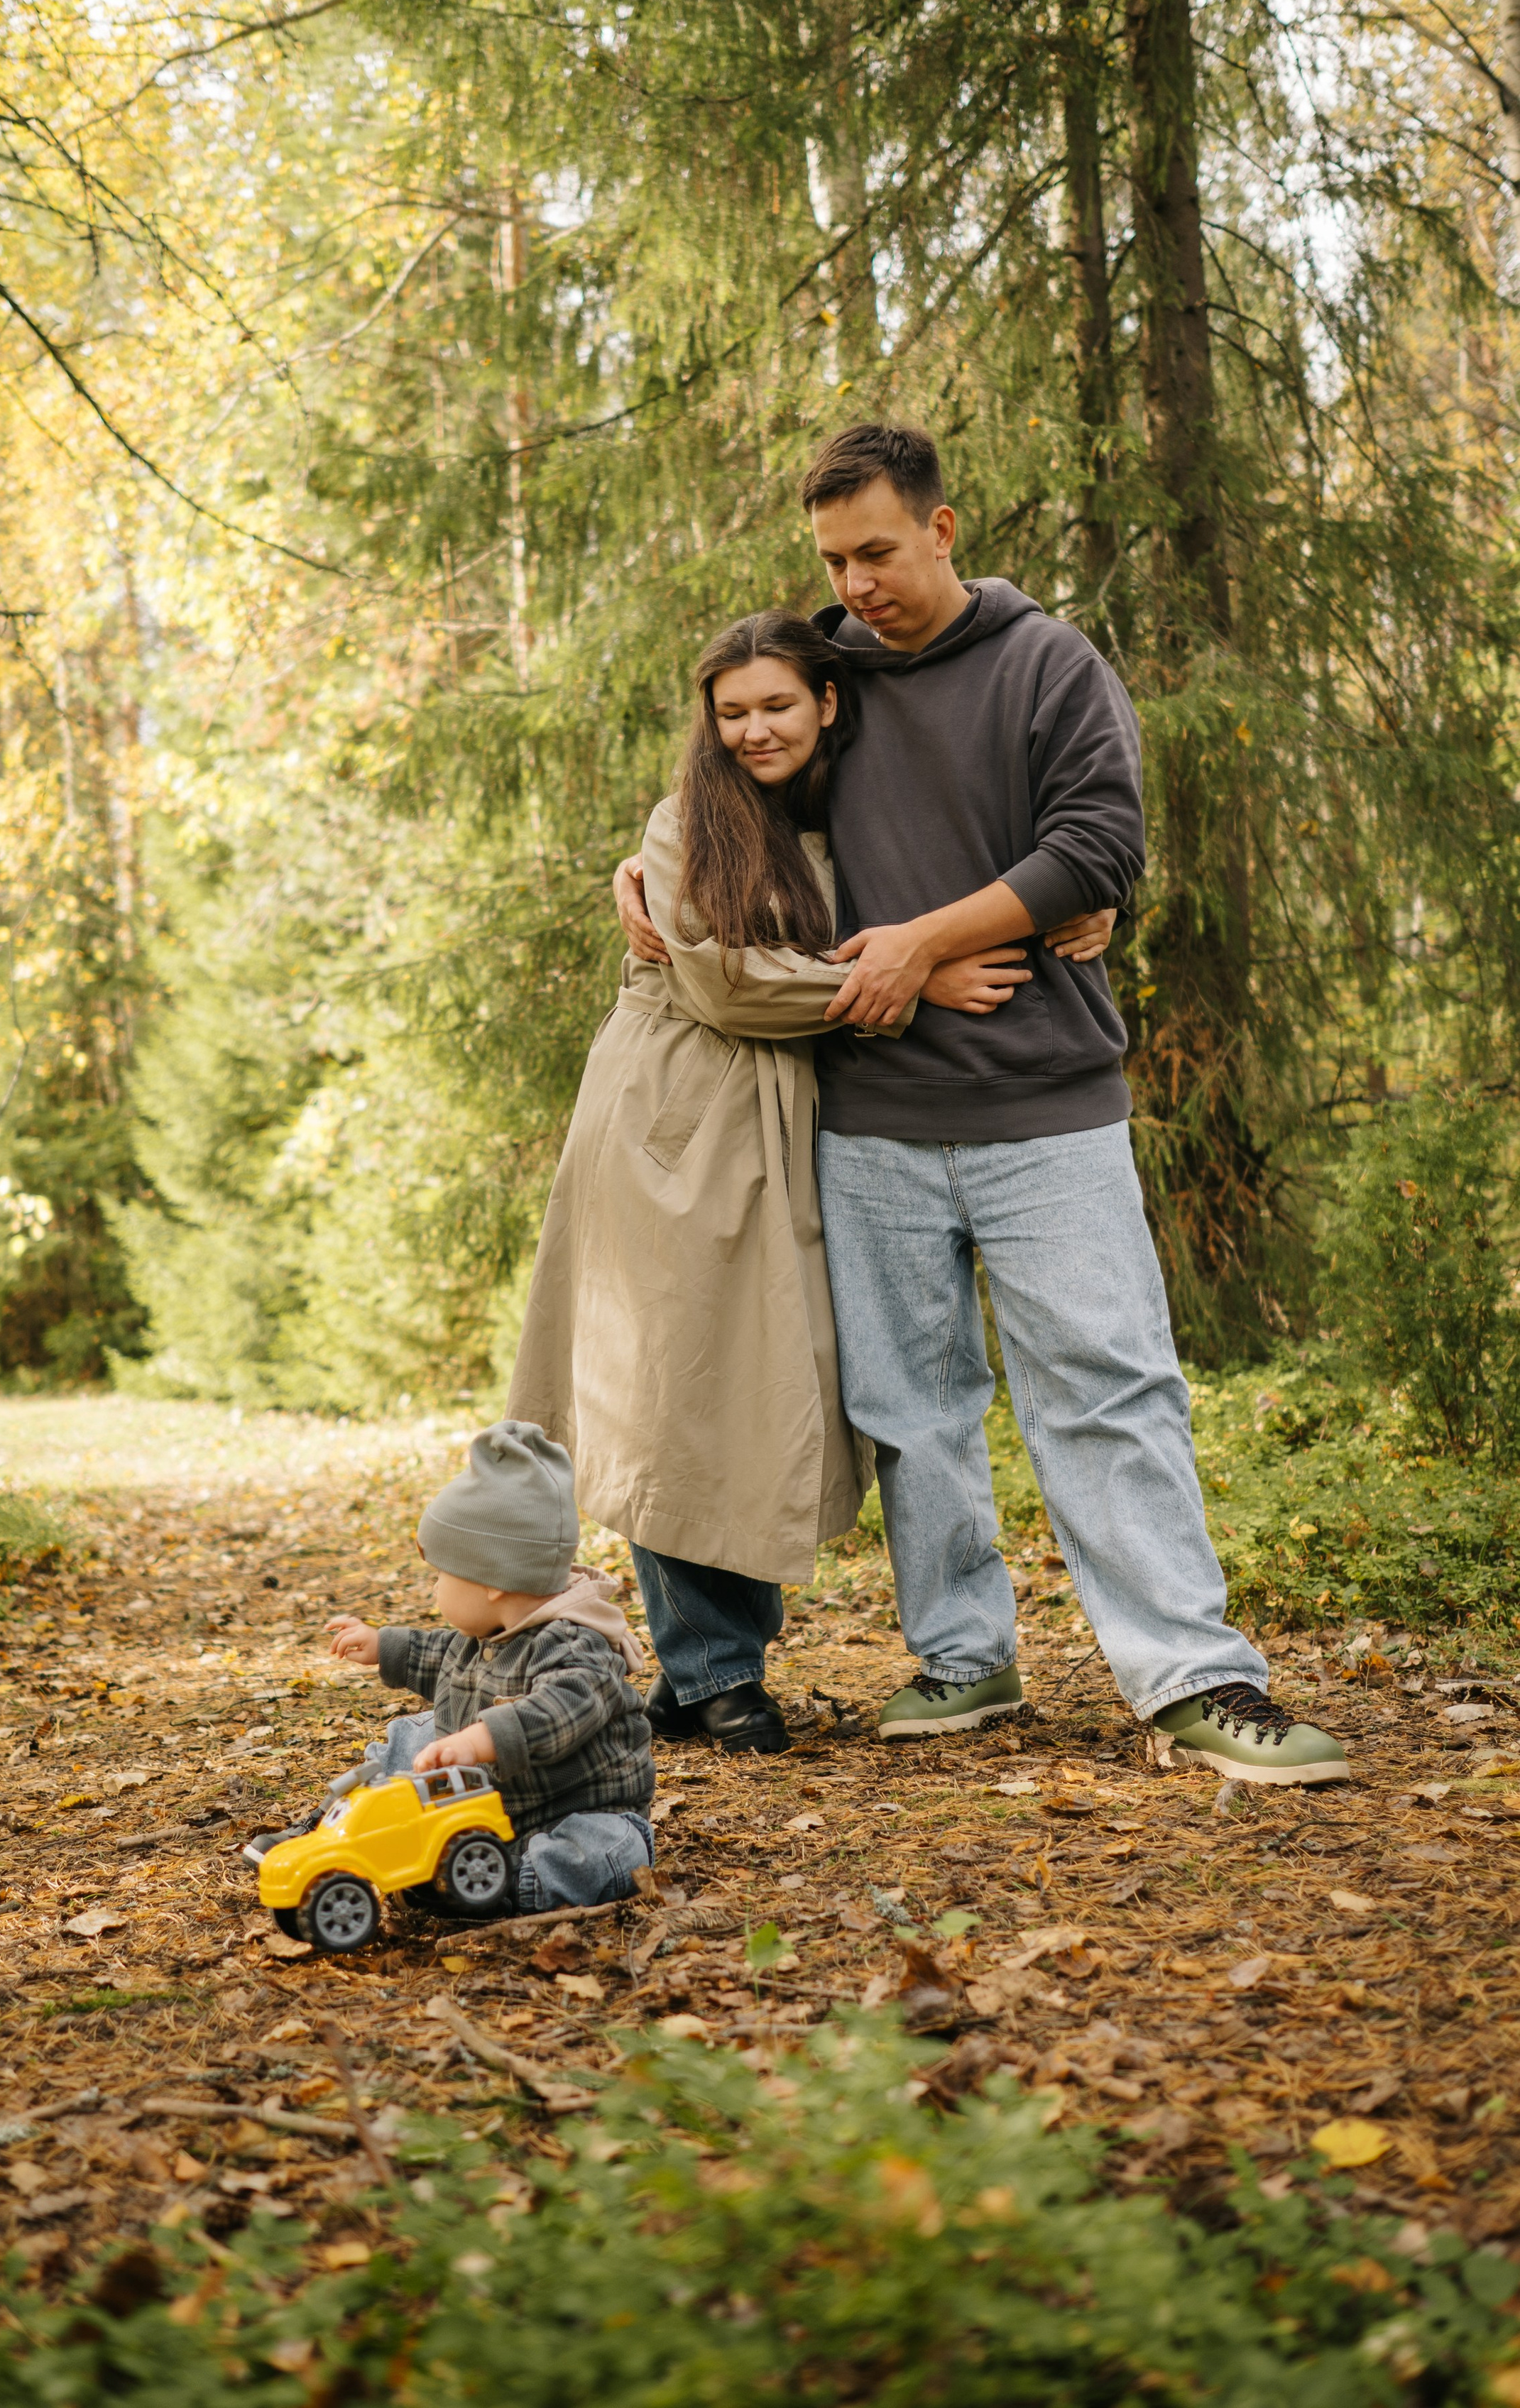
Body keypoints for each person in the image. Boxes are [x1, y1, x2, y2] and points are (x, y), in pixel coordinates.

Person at [618, 425, 1347, 1788]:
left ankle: (1194, 1674)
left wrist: (923, 940)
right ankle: (966, 1655)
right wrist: (642, 858)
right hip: (872, 1122)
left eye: (880, 552)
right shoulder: (830, 677)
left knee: (1111, 1390)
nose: (859, 583)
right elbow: (740, 774)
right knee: (915, 1409)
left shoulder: (1046, 664)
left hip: (1046, 1112)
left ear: (944, 530)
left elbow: (1097, 843)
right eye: (834, 559)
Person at [512, 609, 1114, 1756]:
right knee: (680, 1390)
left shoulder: (846, 807)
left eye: (777, 705)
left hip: (784, 1121)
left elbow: (989, 855)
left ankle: (702, 1675)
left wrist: (1084, 893)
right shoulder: (690, 820)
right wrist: (919, 978)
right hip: (675, 1124)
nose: (752, 730)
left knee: (750, 1393)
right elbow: (730, 985)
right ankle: (714, 1668)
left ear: (827, 704)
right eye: (730, 712)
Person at [325, 1418, 657, 1910]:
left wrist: (481, 1739)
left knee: (609, 1849)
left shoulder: (577, 1645)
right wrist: (384, 1645)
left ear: (492, 1581)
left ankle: (503, 1889)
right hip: (488, 1807)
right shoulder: (486, 1634)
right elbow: (441, 1658)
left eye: (441, 1575)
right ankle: (342, 1828)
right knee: (410, 1737)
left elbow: (561, 1709)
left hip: (572, 1809)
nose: (435, 1590)